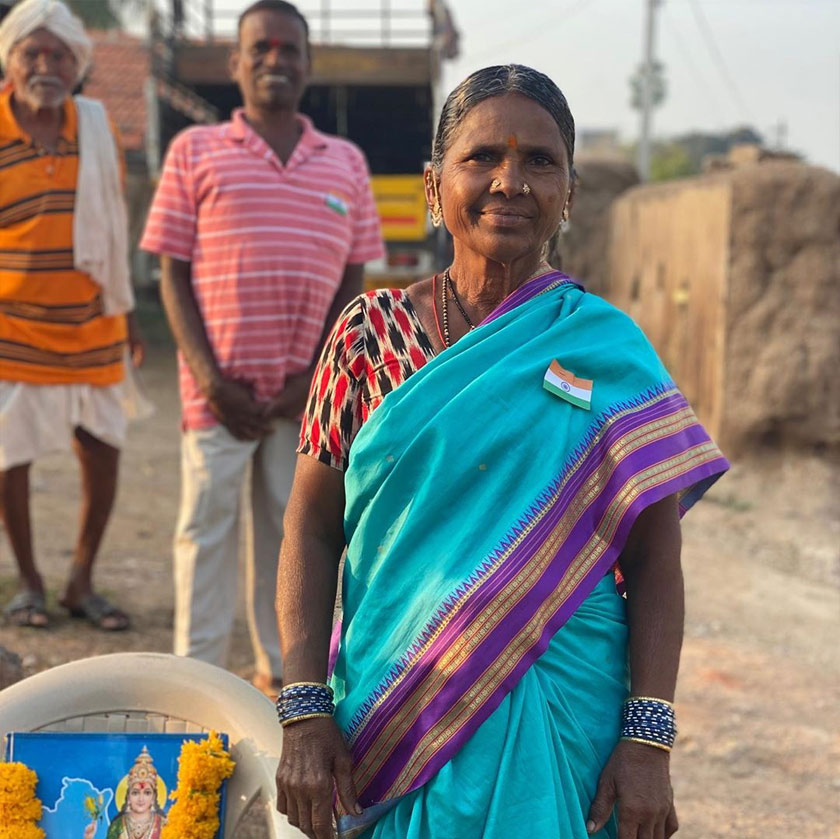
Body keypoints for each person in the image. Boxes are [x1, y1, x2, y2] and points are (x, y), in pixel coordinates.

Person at [274, 64, 730, 839]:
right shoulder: (368, 335)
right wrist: (304, 706)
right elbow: (312, 527)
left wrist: (649, 737)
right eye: (482, 156)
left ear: (569, 193)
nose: (509, 182)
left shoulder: (608, 351)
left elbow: (656, 560)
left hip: (563, 708)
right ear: (434, 185)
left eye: (539, 161)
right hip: (394, 710)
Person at [140, 0, 384, 694]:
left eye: (288, 48)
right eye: (261, 47)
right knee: (206, 531)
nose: (275, 59)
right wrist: (211, 379)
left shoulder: (345, 162)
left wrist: (315, 378)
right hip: (215, 394)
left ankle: (283, 679)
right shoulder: (195, 151)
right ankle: (195, 681)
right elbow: (171, 273)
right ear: (235, 63)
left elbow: (353, 279)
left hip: (306, 398)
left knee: (293, 531)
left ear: (307, 64)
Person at [0, 0, 144, 631]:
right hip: (11, 325)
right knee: (9, 458)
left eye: (59, 54)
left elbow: (115, 223)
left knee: (103, 449)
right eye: (33, 53)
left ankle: (82, 581)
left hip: (93, 320)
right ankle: (28, 584)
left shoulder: (96, 125)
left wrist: (128, 313)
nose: (46, 65)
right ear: (10, 61)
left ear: (76, 63)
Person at [83, 746, 167, 839]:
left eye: (147, 793)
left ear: (153, 797)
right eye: (135, 793)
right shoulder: (117, 826)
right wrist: (89, 837)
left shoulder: (164, 826)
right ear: (128, 796)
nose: (141, 799)